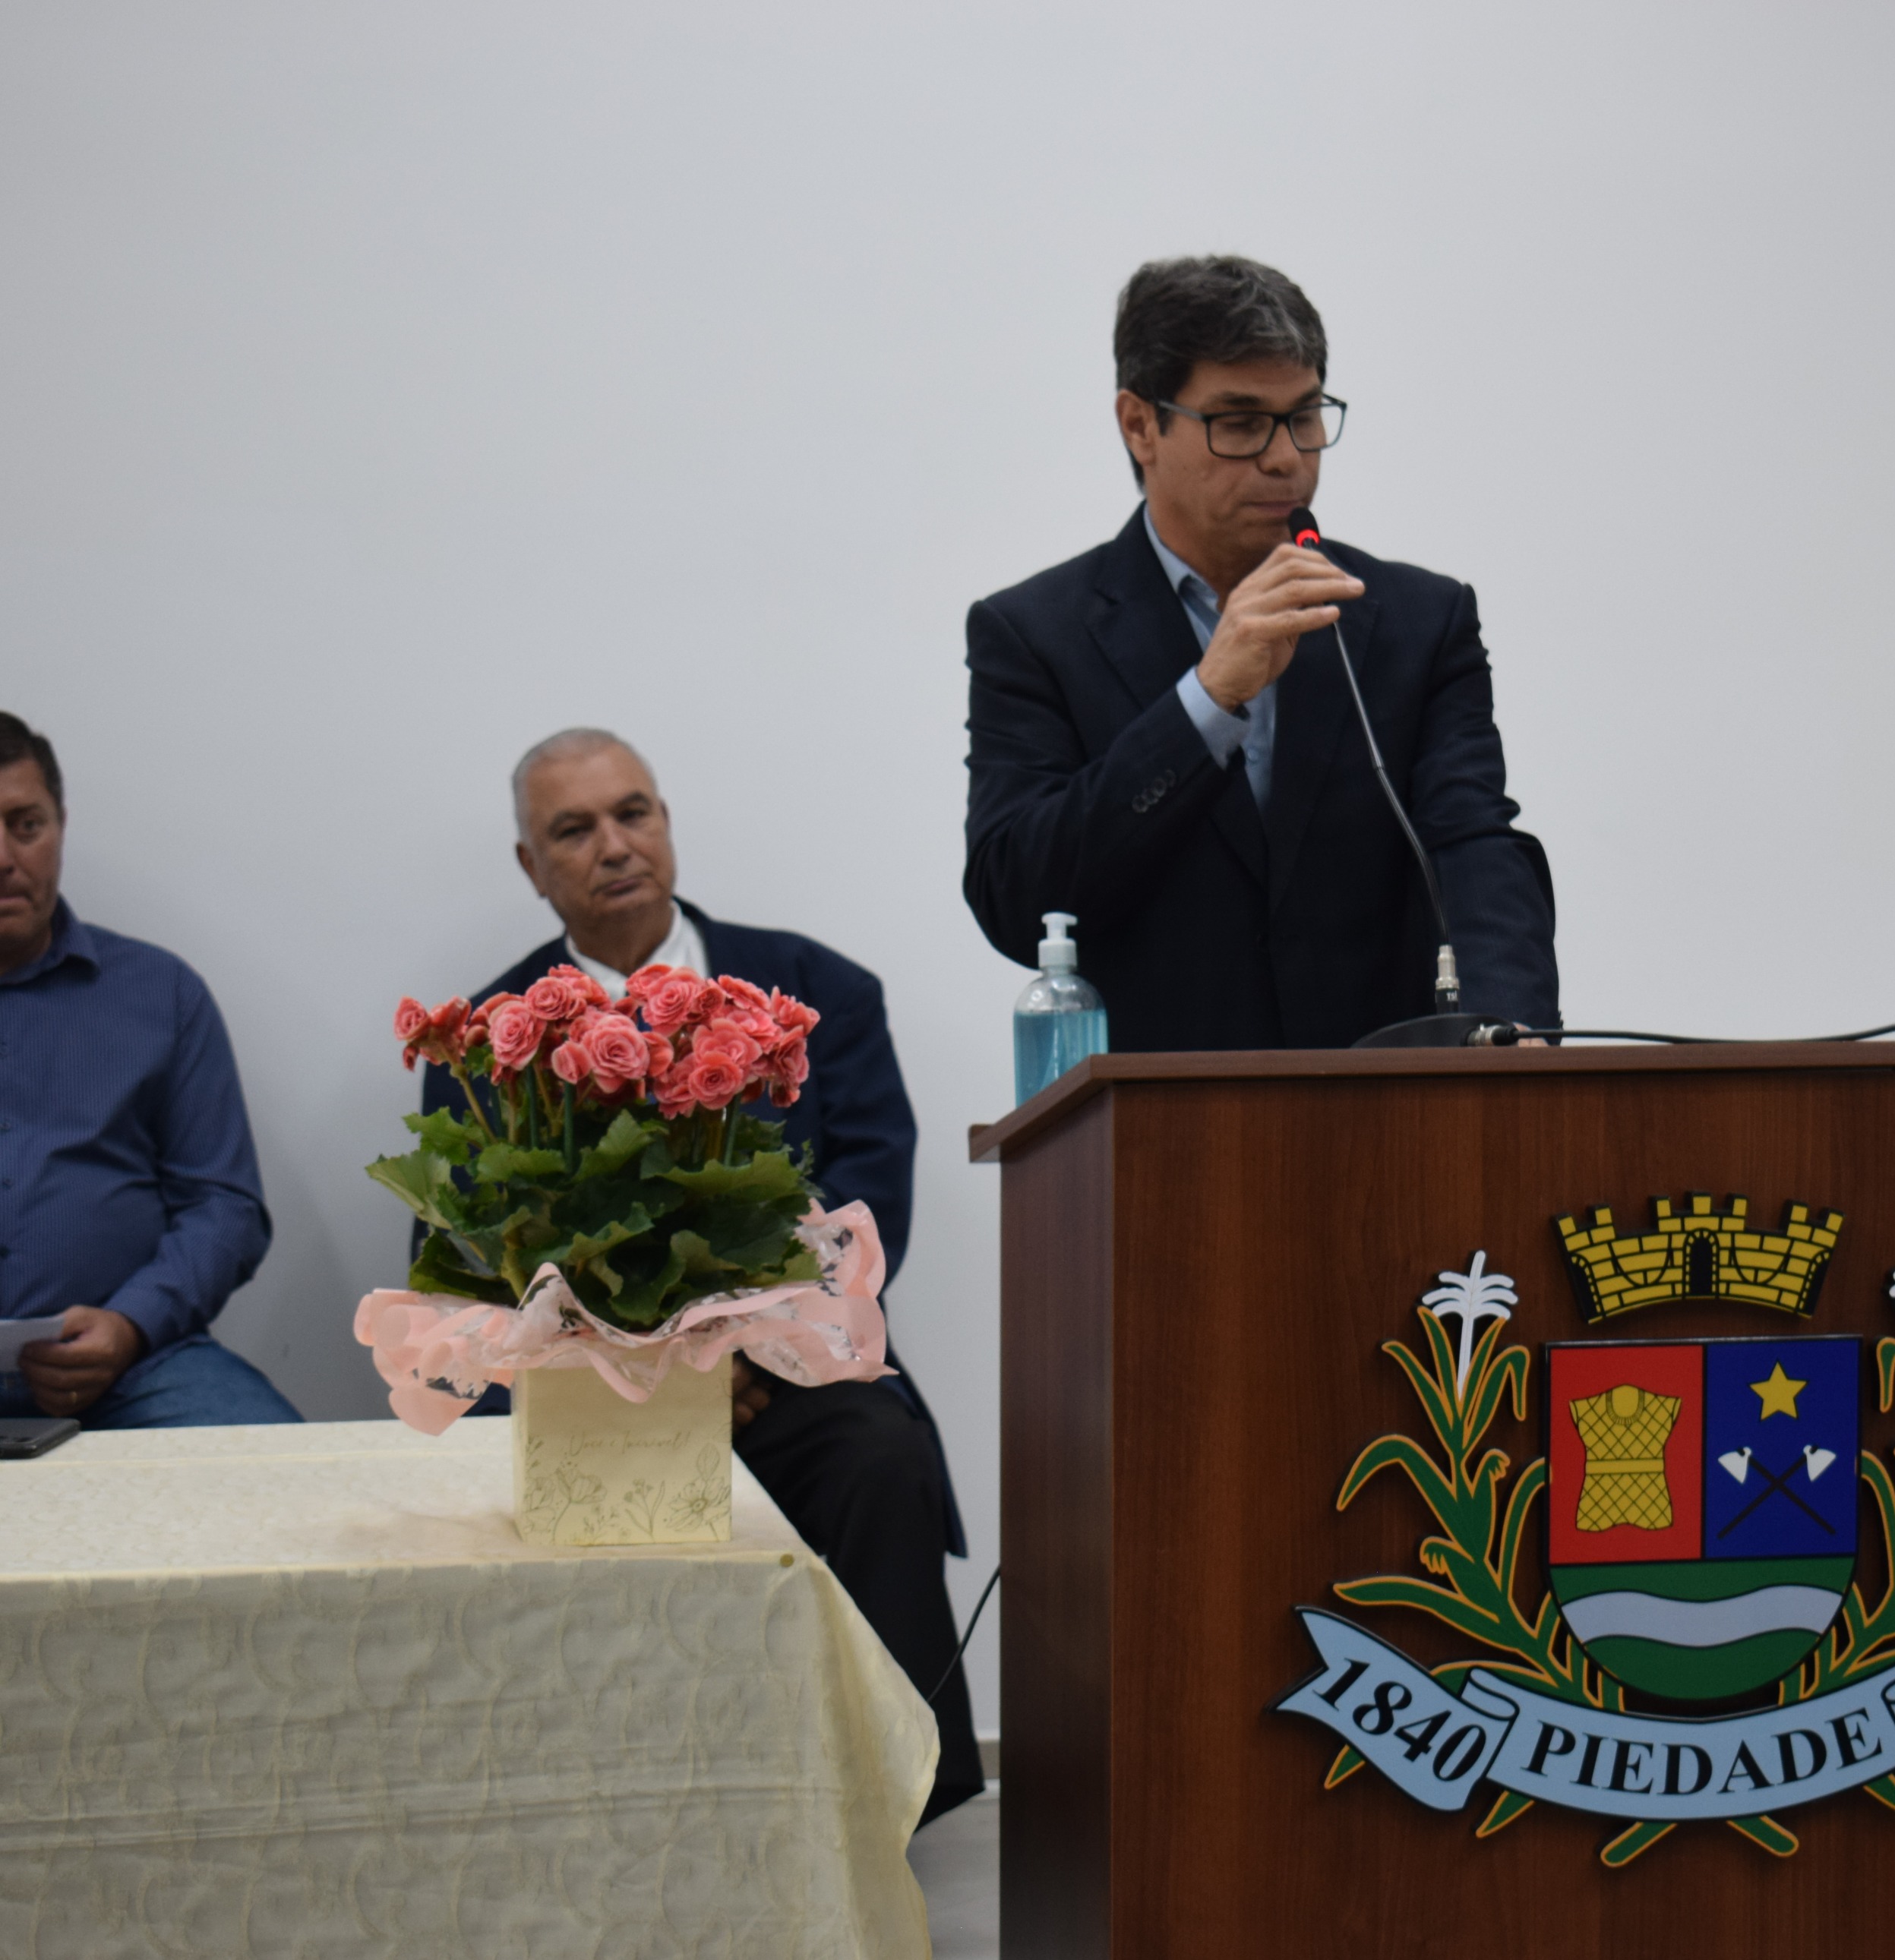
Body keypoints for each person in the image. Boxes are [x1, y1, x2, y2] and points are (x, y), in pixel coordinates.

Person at [426, 728, 982, 1820]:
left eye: (632, 812)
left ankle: (899, 1795)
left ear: (666, 821)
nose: (614, 846)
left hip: (780, 1372)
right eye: (573, 830)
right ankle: (571, 1806)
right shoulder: (485, 1040)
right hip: (583, 1388)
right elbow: (467, 1257)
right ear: (531, 866)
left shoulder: (816, 993)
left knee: (879, 1454)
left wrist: (733, 1353)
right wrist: (642, 1372)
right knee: (483, 1487)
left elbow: (868, 1212)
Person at [963, 254, 1559, 1050]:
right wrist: (1204, 703)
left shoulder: (1417, 621)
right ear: (1139, 425)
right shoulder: (1034, 634)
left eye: (1305, 416)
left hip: (1394, 1104)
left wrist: (1509, 1039)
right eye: (1240, 423)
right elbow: (1018, 897)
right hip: (1161, 1111)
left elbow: (1474, 846)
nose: (1286, 457)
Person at [0, 712, 299, 1428]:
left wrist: (130, 1324)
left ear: (61, 825)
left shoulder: (160, 994)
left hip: (132, 1366)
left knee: (281, 1467)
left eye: (25, 825)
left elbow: (224, 1206)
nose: (3, 857)